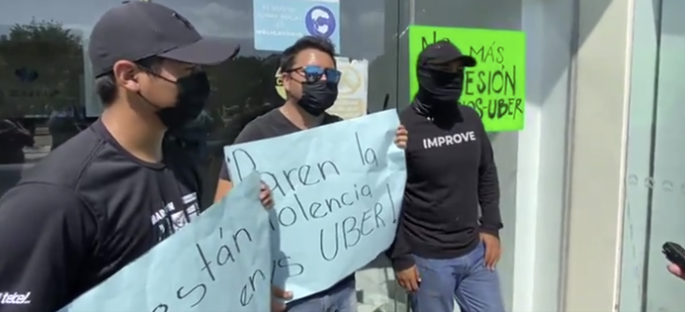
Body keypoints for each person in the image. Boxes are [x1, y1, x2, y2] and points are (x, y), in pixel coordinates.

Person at [0, 1, 276, 312]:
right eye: (188, 70)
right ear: (129, 75)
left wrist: (238, 216)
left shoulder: (179, 163)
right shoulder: (52, 198)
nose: (201, 84)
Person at [215, 35, 408, 312]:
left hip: (342, 285)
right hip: (290, 293)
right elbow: (221, 208)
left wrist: (392, 148)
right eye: (314, 73)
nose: (324, 82)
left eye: (332, 75)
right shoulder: (256, 135)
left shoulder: (342, 132)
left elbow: (368, 189)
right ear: (285, 79)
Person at [387, 40, 504, 312]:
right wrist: (401, 257)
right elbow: (388, 201)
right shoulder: (401, 129)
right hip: (428, 260)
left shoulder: (470, 118)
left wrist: (491, 226)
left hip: (475, 253)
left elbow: (486, 172)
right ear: (425, 74)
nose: (454, 78)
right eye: (445, 72)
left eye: (459, 71)